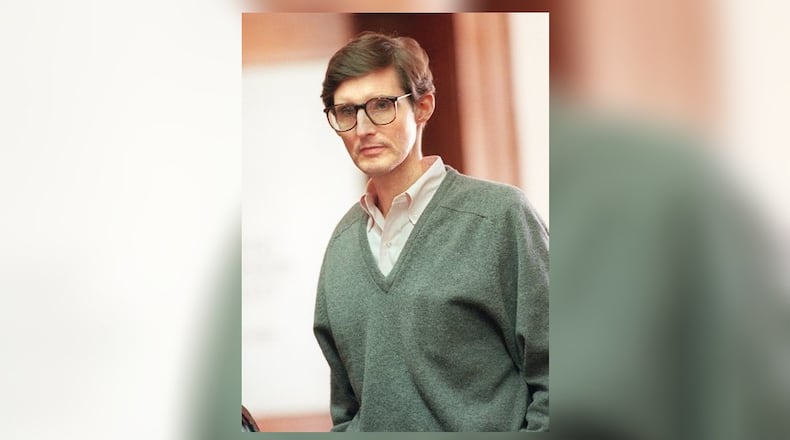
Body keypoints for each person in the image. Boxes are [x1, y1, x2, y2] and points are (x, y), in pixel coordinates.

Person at [312, 31, 549, 432]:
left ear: (423, 107)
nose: (364, 127)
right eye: (347, 111)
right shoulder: (340, 246)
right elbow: (347, 410)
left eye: (382, 105)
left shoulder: (500, 217)